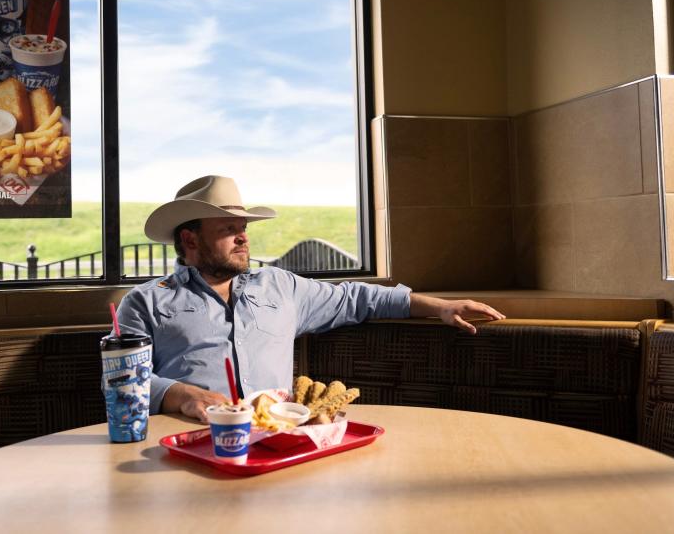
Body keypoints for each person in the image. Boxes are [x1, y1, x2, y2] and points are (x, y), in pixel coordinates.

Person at [117, 175, 505, 422]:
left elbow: (357, 298)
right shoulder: (146, 302)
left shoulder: (281, 287)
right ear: (190, 239)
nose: (243, 237)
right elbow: (120, 382)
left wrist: (441, 307)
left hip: (278, 438)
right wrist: (180, 395)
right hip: (185, 439)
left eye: (244, 227)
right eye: (228, 229)